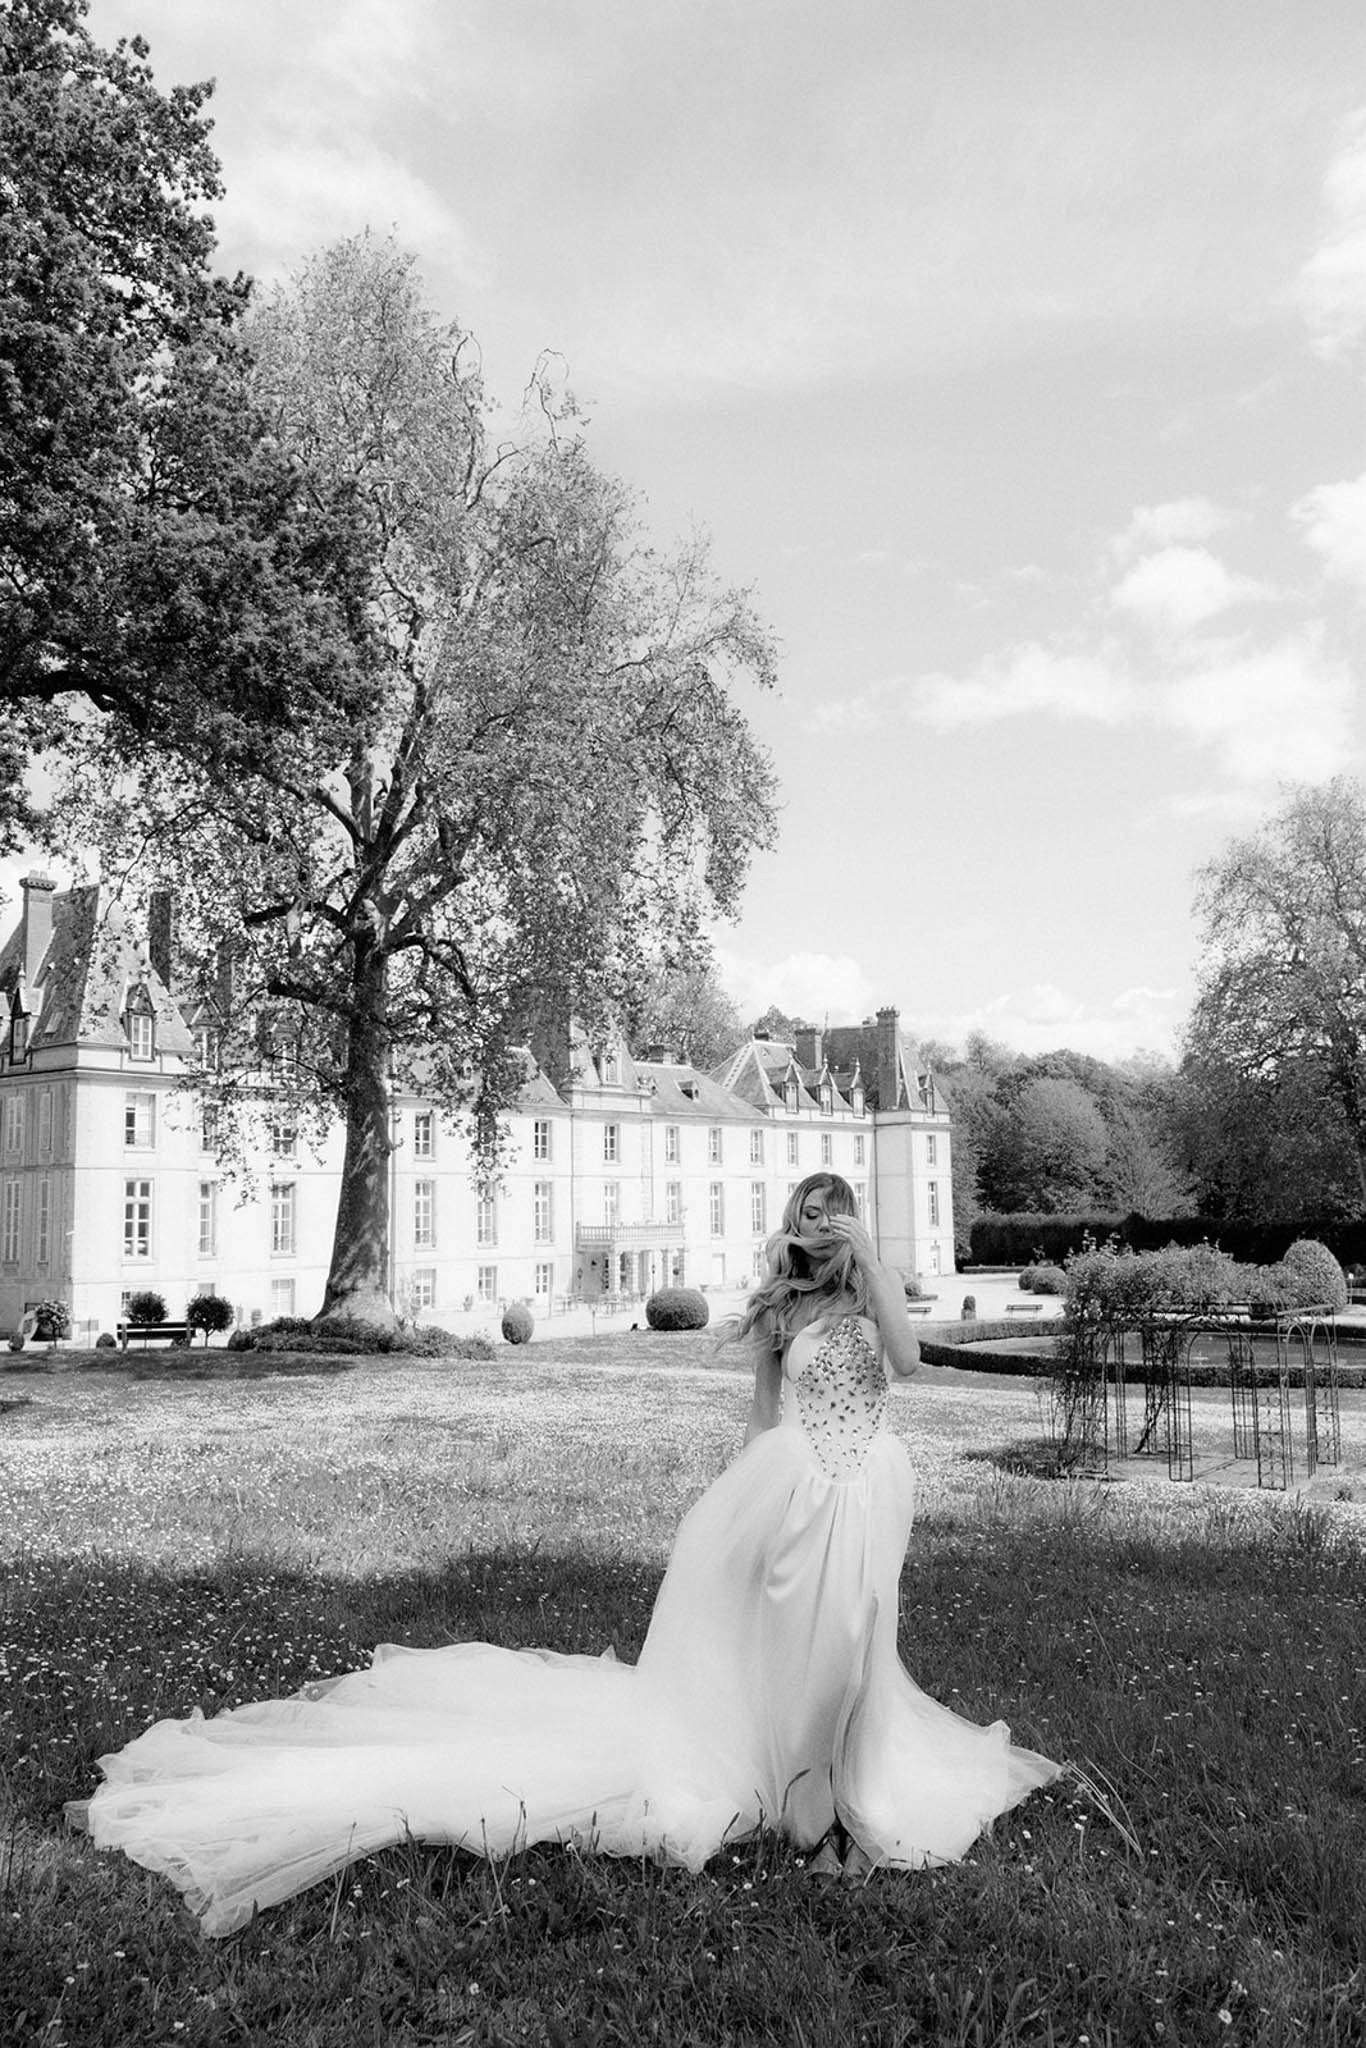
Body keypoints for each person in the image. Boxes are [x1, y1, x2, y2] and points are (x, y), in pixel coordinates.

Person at [68, 1172, 1060, 1932]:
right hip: (791, 1492)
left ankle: (847, 1807)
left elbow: (908, 1360)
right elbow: (761, 1423)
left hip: (870, 1483)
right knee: (796, 1650)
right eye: (808, 1213)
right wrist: (733, 1520)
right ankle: (807, 1797)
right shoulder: (779, 1314)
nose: (819, 1224)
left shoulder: (869, 1296)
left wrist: (878, 1264)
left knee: (855, 1644)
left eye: (831, 1211)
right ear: (792, 1230)